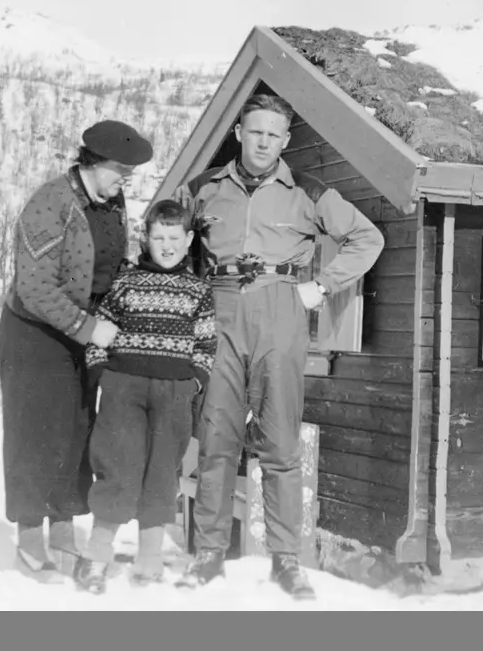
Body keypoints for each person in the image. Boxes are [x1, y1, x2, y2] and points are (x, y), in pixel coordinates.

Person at [172, 94, 384, 598]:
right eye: (255, 131)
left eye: (274, 133)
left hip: (282, 311)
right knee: (216, 438)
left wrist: (322, 286)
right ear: (240, 134)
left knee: (280, 442)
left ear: (285, 140)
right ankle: (207, 553)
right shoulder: (201, 190)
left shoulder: (309, 191)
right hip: (220, 312)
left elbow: (367, 239)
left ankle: (286, 559)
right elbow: (168, 244)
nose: (263, 141)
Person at [0, 119, 153, 583]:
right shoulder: (51, 203)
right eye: (119, 172)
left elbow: (108, 264)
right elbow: (35, 289)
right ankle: (28, 539)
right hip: (34, 335)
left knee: (75, 431)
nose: (123, 182)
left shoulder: (111, 201)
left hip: (84, 334)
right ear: (92, 162)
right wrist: (88, 328)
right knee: (35, 433)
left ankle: (62, 529)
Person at [72, 199, 217, 594]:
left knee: (161, 473)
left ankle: (149, 560)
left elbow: (206, 343)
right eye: (158, 237)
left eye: (174, 238)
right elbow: (101, 332)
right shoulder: (126, 283)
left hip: (174, 393)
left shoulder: (199, 291)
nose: (166, 245)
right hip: (125, 388)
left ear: (189, 240)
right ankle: (96, 558)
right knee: (118, 468)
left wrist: (195, 381)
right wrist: (104, 373)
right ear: (146, 239)